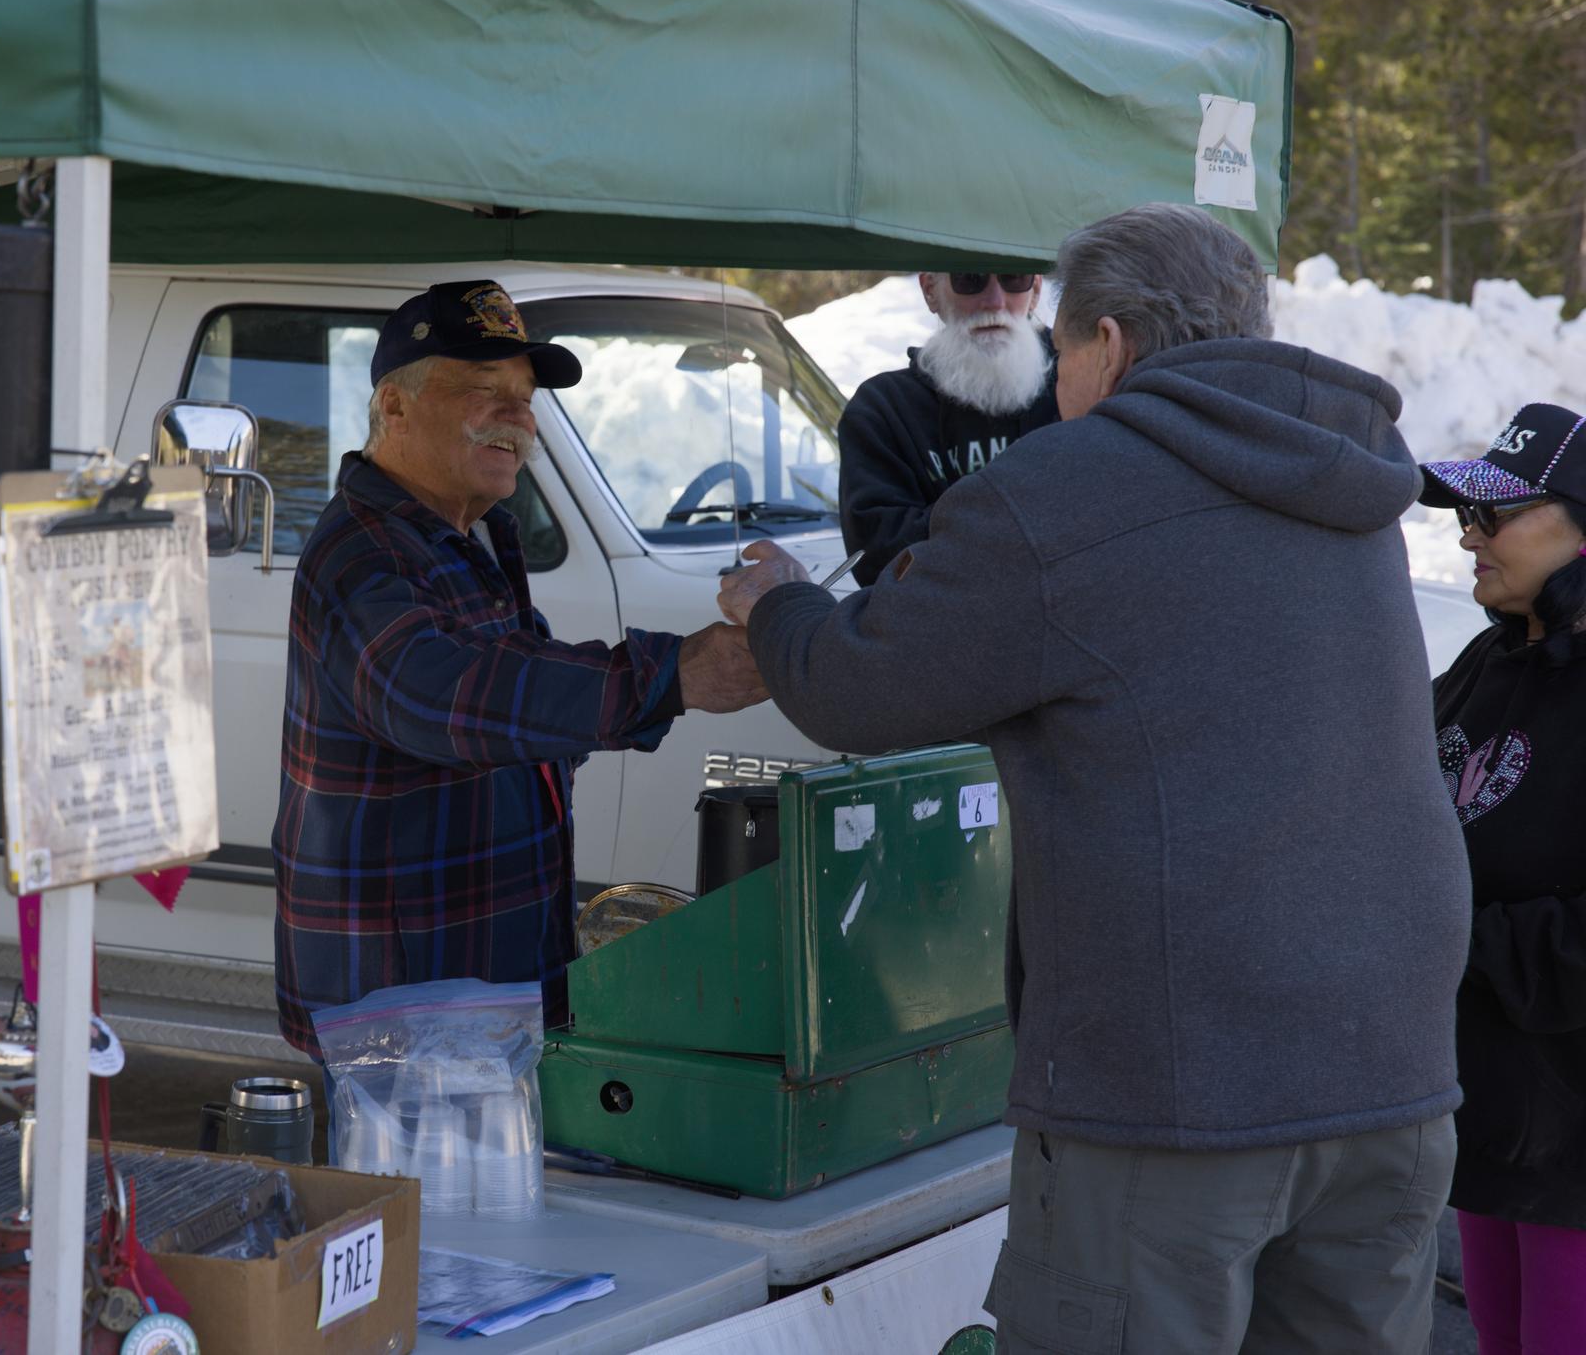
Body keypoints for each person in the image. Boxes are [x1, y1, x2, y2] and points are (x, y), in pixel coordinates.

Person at [718, 204, 1469, 1352]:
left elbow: (860, 688)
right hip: (1394, 1065)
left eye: (1063, 346)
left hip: (1180, 1085)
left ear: (1106, 346)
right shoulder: (1342, 465)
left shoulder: (1068, 485)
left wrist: (776, 602)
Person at [273, 279, 768, 1059]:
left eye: (526, 396)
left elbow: (519, 691)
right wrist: (674, 675)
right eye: (483, 389)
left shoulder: (475, 536)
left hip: (482, 993)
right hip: (399, 1018)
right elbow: (435, 695)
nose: (520, 417)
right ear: (393, 408)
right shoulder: (362, 551)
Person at [1418, 405, 1586, 1353]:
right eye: (1466, 516)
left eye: (1499, 516)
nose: (1470, 536)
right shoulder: (1488, 658)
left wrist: (1452, 942)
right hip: (1487, 1122)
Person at [835, 270, 1059, 587]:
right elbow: (878, 560)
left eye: (1013, 279)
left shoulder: (1085, 384)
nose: (994, 302)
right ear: (930, 291)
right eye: (970, 279)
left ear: (1035, 291)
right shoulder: (884, 408)